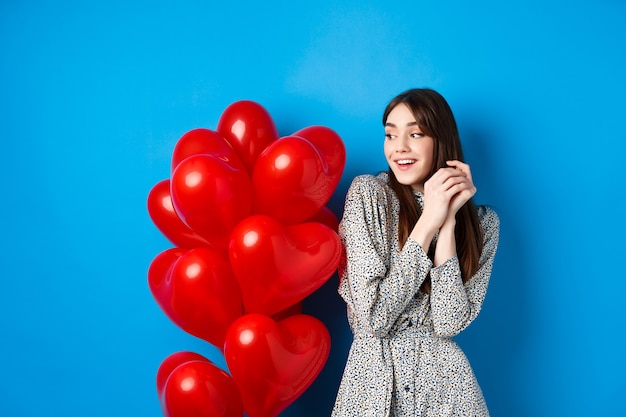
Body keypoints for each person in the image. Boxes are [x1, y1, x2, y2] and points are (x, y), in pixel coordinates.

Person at [332, 88, 500, 417]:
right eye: (391, 135)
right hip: (373, 387)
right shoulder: (369, 195)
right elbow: (375, 319)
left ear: (441, 140)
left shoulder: (484, 225)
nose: (399, 148)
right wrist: (428, 222)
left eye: (415, 134)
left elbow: (448, 322)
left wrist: (449, 222)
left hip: (447, 392)